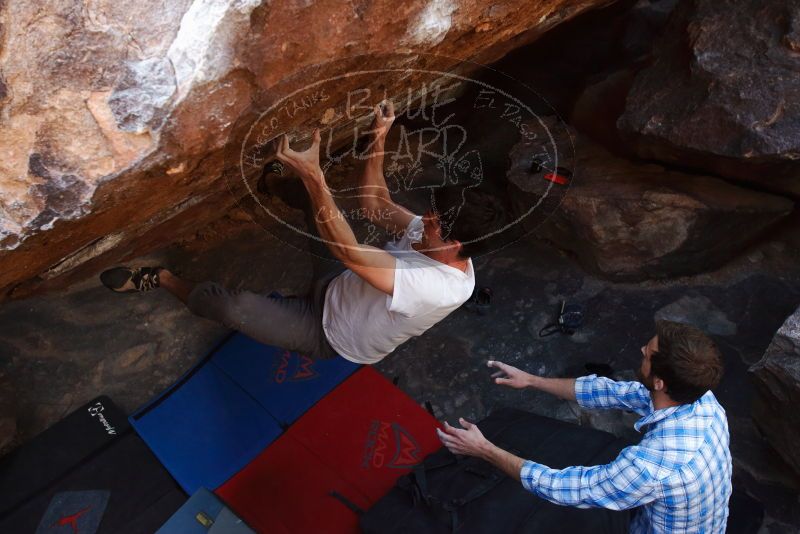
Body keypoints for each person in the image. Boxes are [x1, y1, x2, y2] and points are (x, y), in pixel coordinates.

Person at [100, 101, 493, 364]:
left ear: (454, 244)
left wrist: (315, 175)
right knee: (317, 205)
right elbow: (375, 203)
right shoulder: (437, 237)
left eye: (434, 221)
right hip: (341, 283)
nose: (424, 218)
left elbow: (350, 253)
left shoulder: (439, 287)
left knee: (232, 308)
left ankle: (164, 279)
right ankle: (275, 185)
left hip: (327, 331)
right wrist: (380, 135)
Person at [437, 320, 732, 533]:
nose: (642, 348)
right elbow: (609, 392)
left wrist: (484, 449)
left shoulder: (651, 468)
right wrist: (532, 380)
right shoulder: (701, 398)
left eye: (648, 354)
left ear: (660, 383)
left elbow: (565, 488)